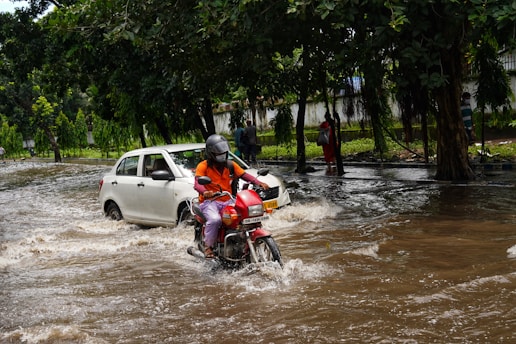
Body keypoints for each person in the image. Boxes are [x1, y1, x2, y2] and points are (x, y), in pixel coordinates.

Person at [194, 134, 269, 259]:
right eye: (219, 153)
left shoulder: (231, 165)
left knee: (242, 218)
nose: (222, 155)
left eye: (224, 152)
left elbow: (245, 175)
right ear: (211, 153)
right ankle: (208, 247)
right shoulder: (203, 166)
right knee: (215, 220)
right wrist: (205, 192)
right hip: (209, 202)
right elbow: (197, 184)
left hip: (227, 200)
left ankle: (241, 244)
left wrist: (258, 182)